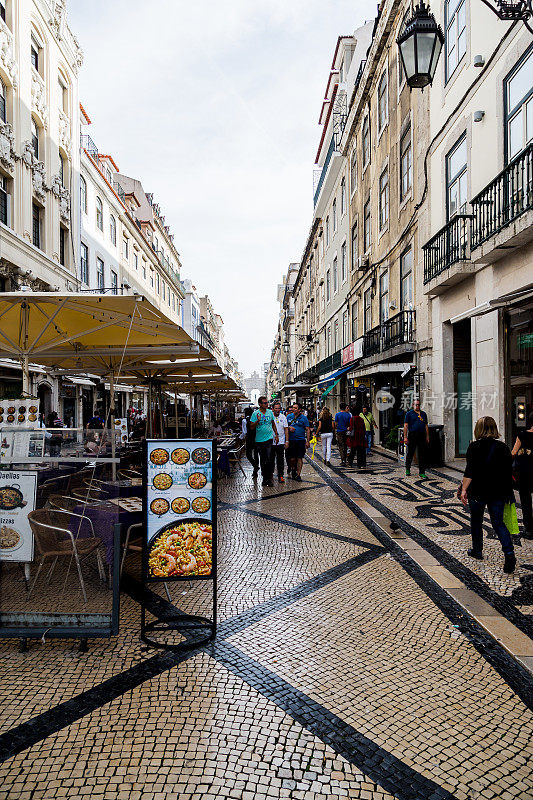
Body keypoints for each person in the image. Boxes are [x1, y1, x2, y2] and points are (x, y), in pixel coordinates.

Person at [459, 416, 516, 573]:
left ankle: (477, 551)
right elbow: (508, 471)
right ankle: (509, 553)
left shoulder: (474, 447)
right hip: (498, 491)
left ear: (478, 429)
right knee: (498, 523)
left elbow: (469, 471)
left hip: (477, 491)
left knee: (476, 521)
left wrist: (463, 490)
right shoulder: (503, 447)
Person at [511, 411, 533, 539]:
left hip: (524, 472)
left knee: (525, 501)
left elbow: (513, 452)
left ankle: (529, 529)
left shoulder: (522, 435)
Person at [250, 397, 278, 487]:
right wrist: (258, 420)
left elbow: (273, 423)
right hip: (259, 440)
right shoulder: (255, 413)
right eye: (265, 403)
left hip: (269, 439)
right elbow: (251, 427)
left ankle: (269, 479)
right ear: (260, 404)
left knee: (269, 459)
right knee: (263, 460)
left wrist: (276, 434)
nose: (267, 404)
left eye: (267, 403)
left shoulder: (270, 412)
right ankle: (264, 478)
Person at [403, 398, 429, 479]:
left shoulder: (424, 414)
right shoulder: (409, 414)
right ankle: (407, 468)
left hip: (421, 435)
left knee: (422, 454)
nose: (417, 406)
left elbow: (426, 426)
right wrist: (405, 437)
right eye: (416, 404)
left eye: (418, 404)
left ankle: (422, 472)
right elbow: (406, 425)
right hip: (412, 435)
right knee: (410, 452)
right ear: (413, 405)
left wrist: (427, 436)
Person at [287, 402, 310, 481]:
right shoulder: (289, 416)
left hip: (300, 440)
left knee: (300, 457)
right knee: (292, 458)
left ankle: (298, 474)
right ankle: (293, 468)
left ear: (299, 410)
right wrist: (289, 427)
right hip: (291, 440)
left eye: (295, 408)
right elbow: (285, 426)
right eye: (293, 407)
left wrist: (308, 441)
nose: (293, 409)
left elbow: (307, 429)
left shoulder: (304, 418)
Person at [271, 401, 289, 483]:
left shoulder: (283, 417)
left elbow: (286, 429)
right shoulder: (270, 417)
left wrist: (287, 441)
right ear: (273, 409)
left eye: (279, 408)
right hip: (271, 442)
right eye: (276, 408)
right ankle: (270, 475)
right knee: (271, 460)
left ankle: (280, 475)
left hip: (281, 442)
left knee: (280, 460)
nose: (278, 410)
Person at [243, 408, 259, 479]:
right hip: (256, 438)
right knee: (256, 455)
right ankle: (255, 471)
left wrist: (240, 438)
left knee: (248, 455)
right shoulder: (255, 419)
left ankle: (255, 466)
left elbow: (244, 432)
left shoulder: (244, 420)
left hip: (249, 439)